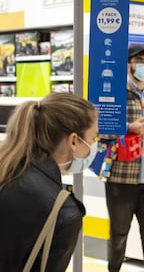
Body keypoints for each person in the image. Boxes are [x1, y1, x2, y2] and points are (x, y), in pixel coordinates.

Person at [0, 92, 99, 272]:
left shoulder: (6, 168)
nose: (94, 146)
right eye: (93, 138)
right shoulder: (62, 211)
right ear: (74, 141)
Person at [104, 44, 144, 271]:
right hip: (122, 176)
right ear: (128, 64)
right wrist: (129, 128)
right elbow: (101, 129)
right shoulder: (116, 93)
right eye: (139, 60)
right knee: (118, 234)